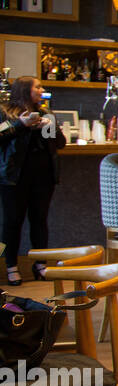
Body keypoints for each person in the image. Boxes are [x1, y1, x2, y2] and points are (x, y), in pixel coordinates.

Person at [0, 77, 64, 285]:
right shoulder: (6, 112)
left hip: (43, 176)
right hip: (13, 177)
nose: (42, 90)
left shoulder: (46, 113)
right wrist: (21, 125)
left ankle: (40, 265)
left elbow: (60, 143)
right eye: (38, 87)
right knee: (12, 222)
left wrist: (49, 126)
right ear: (25, 90)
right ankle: (11, 266)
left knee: (39, 220)